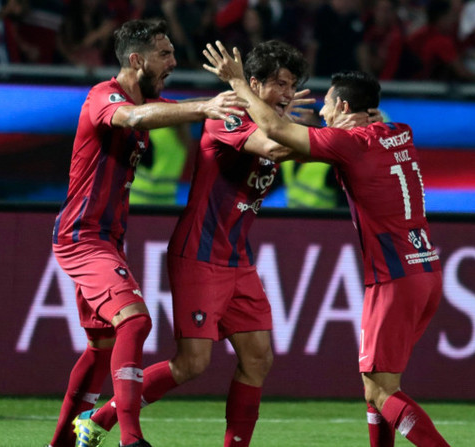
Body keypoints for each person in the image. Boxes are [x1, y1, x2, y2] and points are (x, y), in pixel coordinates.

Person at [204, 41, 451, 447]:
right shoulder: (397, 132)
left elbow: (279, 135)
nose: (321, 112)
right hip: (426, 270)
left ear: (344, 108)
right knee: (378, 386)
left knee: (382, 392)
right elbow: (310, 141)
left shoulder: (348, 145)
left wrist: (237, 84)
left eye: (327, 105)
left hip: (393, 278)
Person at [67, 39, 312, 447]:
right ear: (252, 83)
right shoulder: (228, 119)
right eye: (280, 84)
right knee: (192, 364)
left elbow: (281, 136)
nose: (287, 94)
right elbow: (276, 146)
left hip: (238, 259)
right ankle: (101, 419)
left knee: (258, 358)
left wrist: (282, 116)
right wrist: (341, 137)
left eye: (292, 86)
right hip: (199, 255)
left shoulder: (268, 116)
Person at [47, 19, 249, 447]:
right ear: (136, 60)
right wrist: (204, 108)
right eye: (165, 54)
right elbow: (135, 115)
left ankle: (61, 443)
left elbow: (160, 110)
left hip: (107, 239)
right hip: (82, 237)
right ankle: (131, 439)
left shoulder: (148, 103)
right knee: (135, 322)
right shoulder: (104, 96)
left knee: (102, 347)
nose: (174, 62)